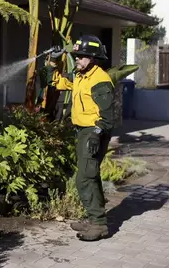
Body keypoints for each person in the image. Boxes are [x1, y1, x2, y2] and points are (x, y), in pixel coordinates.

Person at [46, 34, 115, 242]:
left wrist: (96, 134)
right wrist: (53, 61)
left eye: (81, 57)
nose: (77, 59)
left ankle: (99, 225)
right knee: (89, 175)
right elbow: (55, 82)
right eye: (76, 56)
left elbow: (109, 115)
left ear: (92, 59)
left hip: (94, 132)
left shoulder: (100, 80)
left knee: (84, 177)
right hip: (82, 131)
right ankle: (94, 217)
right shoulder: (79, 76)